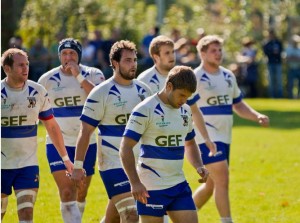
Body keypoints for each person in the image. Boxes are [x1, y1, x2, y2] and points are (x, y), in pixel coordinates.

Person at [188, 35, 270, 223]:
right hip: (206, 136)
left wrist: (256, 115)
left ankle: (178, 217)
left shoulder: (227, 75)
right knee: (223, 180)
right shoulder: (195, 77)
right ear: (202, 53)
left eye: (220, 50)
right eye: (213, 51)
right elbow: (184, 105)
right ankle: (227, 221)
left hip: (224, 137)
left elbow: (238, 104)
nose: (218, 54)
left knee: (210, 186)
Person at [71, 40, 152, 223]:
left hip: (141, 163)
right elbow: (85, 132)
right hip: (112, 164)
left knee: (113, 217)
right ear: (115, 63)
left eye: (134, 60)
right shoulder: (101, 93)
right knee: (131, 214)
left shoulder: (144, 91)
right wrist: (78, 166)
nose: (133, 65)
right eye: (127, 61)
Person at [120, 65, 209, 223]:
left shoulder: (185, 111)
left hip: (178, 185)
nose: (183, 101)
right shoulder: (144, 109)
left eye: (187, 97)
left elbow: (190, 143)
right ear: (169, 86)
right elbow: (125, 148)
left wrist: (198, 165)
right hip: (151, 188)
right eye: (181, 95)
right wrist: (135, 182)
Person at [1, 48, 73, 222]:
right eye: (20, 65)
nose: (25, 69)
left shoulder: (38, 91)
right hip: (1, 166)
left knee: (26, 213)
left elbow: (52, 126)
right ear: (7, 69)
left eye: (26, 64)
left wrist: (65, 159)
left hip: (27, 165)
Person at [38, 38, 105, 223]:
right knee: (67, 192)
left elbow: (100, 99)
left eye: (72, 54)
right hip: (58, 144)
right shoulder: (47, 80)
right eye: (65, 54)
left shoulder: (93, 74)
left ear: (79, 56)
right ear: (59, 55)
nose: (68, 57)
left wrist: (78, 77)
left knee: (81, 192)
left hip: (87, 143)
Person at [263, 29, 283, 98]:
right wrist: (272, 52)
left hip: (278, 63)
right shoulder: (267, 43)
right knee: (271, 80)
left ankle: (280, 96)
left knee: (279, 80)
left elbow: (281, 51)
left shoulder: (278, 42)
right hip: (270, 63)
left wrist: (276, 53)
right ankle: (272, 96)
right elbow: (265, 52)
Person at [285, 34, 300, 99]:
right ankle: (291, 97)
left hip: (298, 68)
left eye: (296, 42)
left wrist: (292, 58)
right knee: (290, 84)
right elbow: (287, 59)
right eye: (294, 42)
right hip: (291, 68)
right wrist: (296, 58)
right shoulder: (288, 49)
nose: (295, 43)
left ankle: (298, 97)